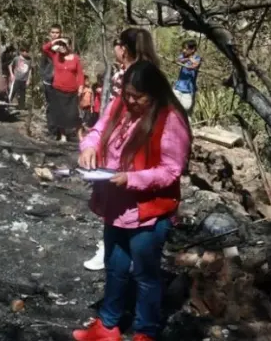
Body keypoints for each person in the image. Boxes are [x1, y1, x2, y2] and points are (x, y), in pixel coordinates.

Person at [73, 61, 191, 341]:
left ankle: (145, 331)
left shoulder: (170, 119)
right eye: (128, 94)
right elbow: (98, 131)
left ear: (154, 93)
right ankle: (108, 325)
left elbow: (171, 170)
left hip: (147, 212)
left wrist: (132, 179)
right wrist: (88, 148)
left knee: (145, 274)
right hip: (117, 206)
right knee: (115, 267)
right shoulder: (119, 106)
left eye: (138, 97)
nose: (131, 101)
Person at [85, 28, 160, 272]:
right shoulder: (153, 73)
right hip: (131, 159)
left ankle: (113, 252)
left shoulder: (129, 78)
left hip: (131, 160)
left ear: (124, 48)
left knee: (124, 213)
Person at [42, 37, 85, 142]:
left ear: (69, 46)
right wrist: (56, 40)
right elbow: (44, 48)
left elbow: (80, 74)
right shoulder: (55, 56)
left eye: (64, 44)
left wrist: (81, 87)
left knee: (75, 115)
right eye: (60, 45)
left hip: (72, 92)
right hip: (58, 90)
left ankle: (81, 137)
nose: (62, 47)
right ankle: (63, 136)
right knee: (60, 115)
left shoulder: (75, 58)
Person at [41, 24, 63, 137]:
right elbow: (44, 51)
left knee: (60, 106)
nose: (55, 34)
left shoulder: (64, 47)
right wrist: (44, 77)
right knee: (51, 106)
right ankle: (52, 131)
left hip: (60, 81)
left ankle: (59, 130)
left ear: (60, 33)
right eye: (53, 32)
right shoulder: (48, 48)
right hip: (49, 80)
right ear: (50, 34)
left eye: (57, 32)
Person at [173, 39, 201, 114]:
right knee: (173, 105)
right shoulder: (184, 56)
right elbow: (177, 60)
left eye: (186, 48)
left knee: (186, 108)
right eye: (183, 48)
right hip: (178, 87)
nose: (184, 50)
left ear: (193, 49)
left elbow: (195, 65)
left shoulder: (197, 58)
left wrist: (191, 60)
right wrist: (187, 59)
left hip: (189, 89)